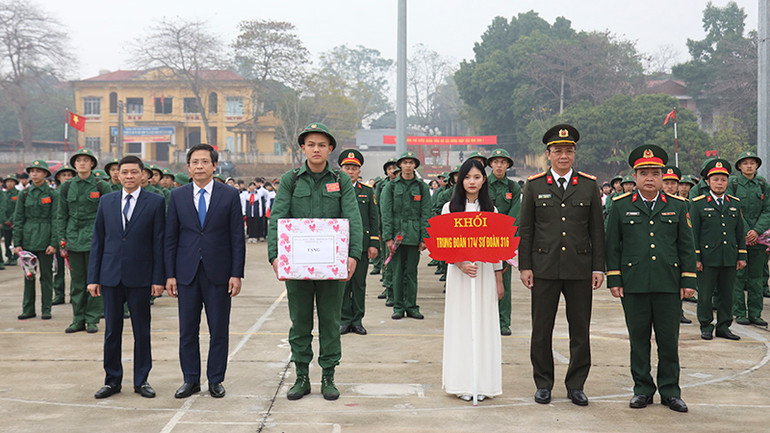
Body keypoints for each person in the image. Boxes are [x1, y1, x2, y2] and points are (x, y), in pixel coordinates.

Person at [267, 123, 363, 401]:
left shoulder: (341, 180)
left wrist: (353, 254)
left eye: (322, 145)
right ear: (303, 148)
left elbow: (352, 217)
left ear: (330, 149)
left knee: (331, 322)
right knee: (300, 322)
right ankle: (301, 377)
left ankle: (328, 377)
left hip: (332, 265)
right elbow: (278, 217)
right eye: (311, 144)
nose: (316, 149)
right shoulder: (291, 180)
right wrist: (275, 256)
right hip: (297, 266)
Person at [605, 144, 696, 413]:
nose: (649, 178)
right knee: (639, 340)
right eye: (643, 173)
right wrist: (615, 279)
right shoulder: (621, 206)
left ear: (662, 176)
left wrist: (688, 280)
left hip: (669, 283)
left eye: (655, 173)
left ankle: (670, 391)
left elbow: (686, 246)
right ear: (634, 177)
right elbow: (612, 246)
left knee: (668, 341)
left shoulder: (678, 206)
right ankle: (642, 389)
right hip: (634, 284)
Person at [518, 124, 604, 407]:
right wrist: (525, 266)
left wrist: (598, 268)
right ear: (548, 154)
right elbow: (526, 229)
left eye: (568, 151)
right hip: (544, 267)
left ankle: (576, 385)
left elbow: (597, 231)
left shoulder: (589, 186)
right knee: (541, 330)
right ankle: (543, 384)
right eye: (558, 151)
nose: (563, 156)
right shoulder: (535, 185)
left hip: (580, 268)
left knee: (580, 330)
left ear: (574, 154)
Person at [165, 143, 245, 399]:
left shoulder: (229, 195)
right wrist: (170, 274)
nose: (199, 166)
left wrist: (236, 273)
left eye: (204, 162)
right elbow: (171, 238)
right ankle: (190, 379)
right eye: (195, 162)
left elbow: (237, 237)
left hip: (219, 273)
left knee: (218, 329)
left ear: (214, 166)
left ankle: (215, 379)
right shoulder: (177, 196)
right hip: (186, 272)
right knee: (187, 330)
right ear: (188, 167)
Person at [87, 156, 166, 399]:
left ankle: (141, 380)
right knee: (112, 331)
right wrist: (93, 277)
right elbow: (98, 240)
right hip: (110, 276)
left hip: (140, 277)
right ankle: (112, 380)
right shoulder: (107, 201)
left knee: (142, 331)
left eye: (134, 172)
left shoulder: (155, 202)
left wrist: (158, 279)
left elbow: (159, 242)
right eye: (124, 172)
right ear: (117, 175)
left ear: (143, 175)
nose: (129, 176)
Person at [441, 158, 505, 402]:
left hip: (484, 274)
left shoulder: (491, 211)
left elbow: (497, 249)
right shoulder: (450, 209)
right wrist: (459, 263)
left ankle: (483, 383)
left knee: (483, 324)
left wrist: (498, 279)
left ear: (484, 180)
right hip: (460, 275)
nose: (471, 182)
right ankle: (462, 383)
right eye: (467, 177)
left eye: (477, 177)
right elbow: (444, 244)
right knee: (461, 324)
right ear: (460, 180)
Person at [690, 159, 746, 341]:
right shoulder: (698, 204)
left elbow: (740, 232)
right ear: (708, 182)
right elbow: (693, 233)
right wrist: (696, 258)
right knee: (705, 295)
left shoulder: (735, 203)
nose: (720, 183)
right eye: (715, 180)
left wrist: (741, 255)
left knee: (727, 295)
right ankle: (706, 326)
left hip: (729, 256)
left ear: (728, 181)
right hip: (707, 258)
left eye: (723, 180)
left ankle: (724, 326)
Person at [55, 148, 109, 334]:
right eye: (79, 161)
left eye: (86, 160)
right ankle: (78, 319)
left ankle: (92, 319)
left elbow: (108, 216)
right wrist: (61, 239)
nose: (82, 163)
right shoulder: (66, 187)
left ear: (92, 164)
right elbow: (61, 215)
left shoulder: (101, 186)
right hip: (73, 239)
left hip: (95, 238)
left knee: (94, 280)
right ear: (74, 164)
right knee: (77, 283)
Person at [380, 151, 432, 320]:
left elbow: (426, 213)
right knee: (396, 273)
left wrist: (424, 238)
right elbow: (386, 213)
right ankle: (398, 306)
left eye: (411, 162)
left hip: (414, 235)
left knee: (411, 273)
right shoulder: (391, 186)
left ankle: (411, 306)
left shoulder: (422, 187)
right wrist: (388, 237)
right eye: (405, 162)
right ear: (400, 165)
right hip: (396, 235)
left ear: (415, 165)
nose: (408, 166)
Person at [338, 149, 379, 336]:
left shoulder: (367, 192)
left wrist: (374, 243)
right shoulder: (333, 189)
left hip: (361, 244)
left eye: (354, 168)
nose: (350, 171)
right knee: (342, 284)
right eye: (347, 167)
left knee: (359, 284)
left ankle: (357, 320)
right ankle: (344, 320)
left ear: (359, 171)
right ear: (341, 169)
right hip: (340, 245)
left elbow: (374, 218)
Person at [730, 151, 770, 327]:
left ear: (757, 166)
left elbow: (767, 210)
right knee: (738, 277)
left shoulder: (762, 184)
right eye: (745, 163)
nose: (749, 166)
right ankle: (739, 312)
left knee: (756, 278)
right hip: (738, 238)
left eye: (752, 163)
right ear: (739, 166)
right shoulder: (733, 184)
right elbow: (732, 208)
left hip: (758, 239)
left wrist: (756, 231)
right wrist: (747, 231)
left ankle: (755, 313)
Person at [13, 161, 57, 320]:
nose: (34, 174)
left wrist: (54, 243)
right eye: (32, 171)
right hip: (28, 239)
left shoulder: (52, 194)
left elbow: (56, 219)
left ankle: (46, 309)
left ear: (45, 174)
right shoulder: (24, 194)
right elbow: (18, 219)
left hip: (46, 239)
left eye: (38, 171)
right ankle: (28, 309)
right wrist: (17, 243)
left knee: (46, 277)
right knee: (29, 276)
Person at [486, 148, 521, 336]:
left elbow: (515, 214)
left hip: (504, 239)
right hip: (484, 238)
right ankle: (486, 320)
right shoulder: (483, 184)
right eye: (496, 162)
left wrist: (506, 236)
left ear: (508, 165)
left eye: (503, 162)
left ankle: (503, 321)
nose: (499, 165)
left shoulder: (513, 187)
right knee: (484, 280)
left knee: (504, 282)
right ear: (491, 164)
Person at [52, 165, 76, 305]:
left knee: (74, 267)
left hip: (71, 233)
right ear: (58, 178)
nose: (67, 178)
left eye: (69, 175)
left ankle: (74, 294)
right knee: (58, 267)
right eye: (64, 175)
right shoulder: (54, 193)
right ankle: (59, 294)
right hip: (57, 233)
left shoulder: (74, 191)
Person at [2, 174, 20, 267]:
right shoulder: (3, 194)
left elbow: (18, 209)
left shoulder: (18, 194)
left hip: (15, 222)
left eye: (11, 181)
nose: (9, 183)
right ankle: (9, 257)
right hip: (5, 222)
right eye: (8, 181)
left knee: (16, 240)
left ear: (15, 183)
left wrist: (11, 219)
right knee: (7, 241)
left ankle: (15, 257)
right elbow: (2, 208)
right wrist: (4, 219)